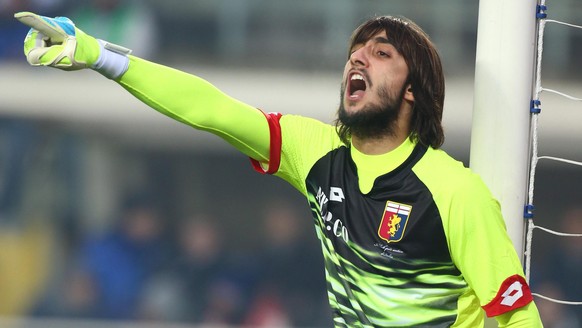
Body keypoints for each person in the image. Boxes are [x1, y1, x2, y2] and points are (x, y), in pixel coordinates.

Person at [14, 11, 543, 327]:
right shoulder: (314, 150)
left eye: (380, 53)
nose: (357, 58)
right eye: (354, 51)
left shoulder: (454, 192)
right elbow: (210, 109)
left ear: (412, 91)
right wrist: (99, 55)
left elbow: (516, 314)